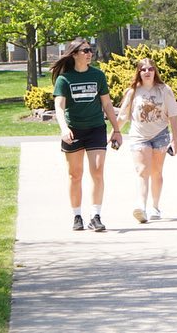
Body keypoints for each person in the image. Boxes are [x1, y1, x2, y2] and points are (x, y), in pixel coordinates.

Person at [52, 38, 121, 232]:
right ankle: (77, 216)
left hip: (96, 128)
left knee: (97, 171)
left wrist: (116, 130)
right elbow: (59, 106)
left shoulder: (98, 75)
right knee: (75, 175)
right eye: (85, 50)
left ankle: (95, 216)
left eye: (91, 50)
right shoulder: (64, 79)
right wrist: (64, 128)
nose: (90, 53)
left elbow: (107, 104)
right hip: (74, 130)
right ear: (74, 54)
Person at [116, 58, 177, 223]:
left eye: (150, 69)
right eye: (143, 69)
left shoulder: (164, 90)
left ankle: (155, 207)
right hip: (139, 136)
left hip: (160, 135)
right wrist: (115, 132)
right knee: (142, 171)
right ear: (139, 72)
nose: (147, 72)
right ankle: (141, 207)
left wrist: (175, 140)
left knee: (156, 172)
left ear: (155, 71)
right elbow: (123, 116)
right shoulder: (133, 92)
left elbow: (173, 116)